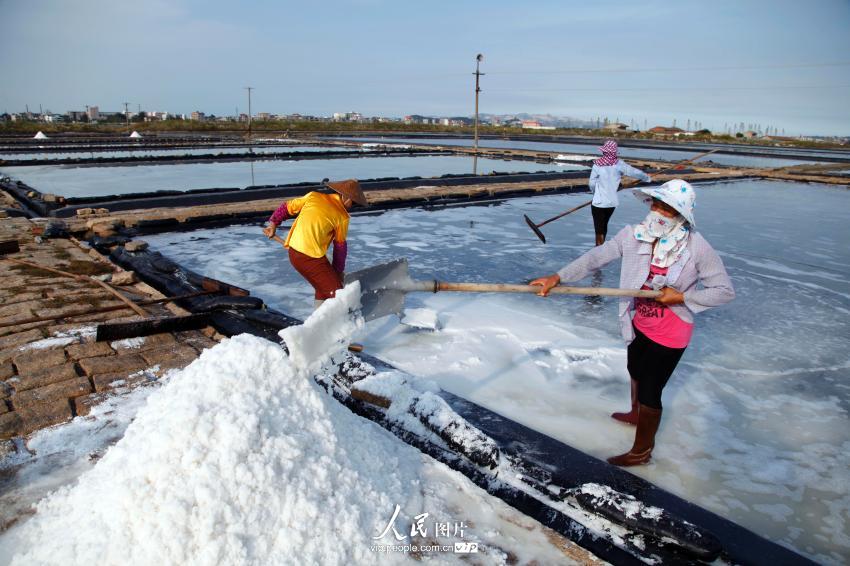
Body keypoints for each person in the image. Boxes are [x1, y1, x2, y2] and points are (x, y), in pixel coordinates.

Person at [530, 180, 735, 467]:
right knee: (635, 368)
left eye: (667, 207)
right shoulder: (634, 235)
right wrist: (558, 276)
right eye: (656, 203)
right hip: (639, 320)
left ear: (680, 214)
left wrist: (681, 297)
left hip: (672, 330)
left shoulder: (696, 247)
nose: (658, 211)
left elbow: (724, 291)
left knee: (652, 389)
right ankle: (635, 413)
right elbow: (597, 256)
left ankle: (641, 452)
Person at [263, 179, 368, 307]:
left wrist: (273, 223)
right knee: (338, 295)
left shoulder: (313, 196)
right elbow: (340, 248)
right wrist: (338, 273)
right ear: (347, 199)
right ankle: (338, 325)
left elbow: (286, 207)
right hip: (310, 258)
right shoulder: (342, 216)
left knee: (323, 288)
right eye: (354, 203)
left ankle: (318, 320)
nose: (352, 207)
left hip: (294, 254)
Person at [589, 139, 652, 246]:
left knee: (599, 229)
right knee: (604, 226)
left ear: (604, 152)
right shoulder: (619, 164)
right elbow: (634, 172)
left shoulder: (598, 165)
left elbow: (592, 183)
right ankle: (602, 248)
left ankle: (598, 250)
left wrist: (594, 192)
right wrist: (647, 178)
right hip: (611, 203)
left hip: (598, 203)